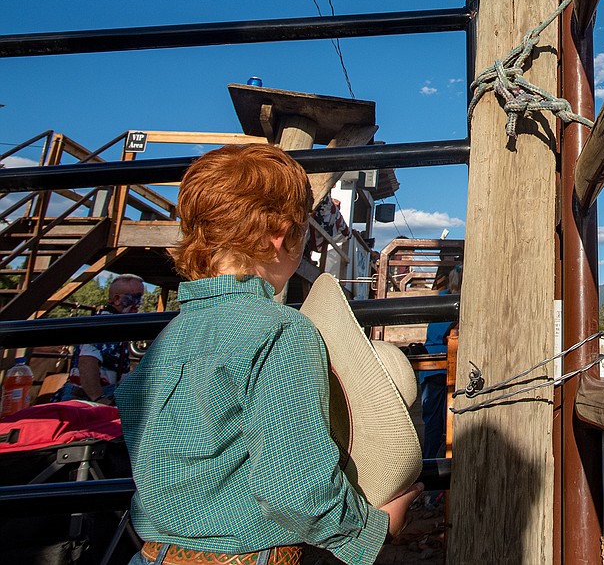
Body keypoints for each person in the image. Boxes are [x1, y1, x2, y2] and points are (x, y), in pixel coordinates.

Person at [116, 145, 422, 565]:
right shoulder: (281, 330)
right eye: (305, 229)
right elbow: (295, 488)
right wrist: (374, 527)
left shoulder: (172, 335)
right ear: (280, 235)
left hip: (151, 553)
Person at [53, 273, 144, 405]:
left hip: (103, 393)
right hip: (86, 397)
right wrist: (98, 398)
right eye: (134, 298)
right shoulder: (104, 325)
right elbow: (87, 362)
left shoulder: (117, 326)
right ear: (117, 299)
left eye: (140, 299)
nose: (138, 304)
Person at [419, 265, 459, 461]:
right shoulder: (459, 304)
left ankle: (429, 460)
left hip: (430, 366)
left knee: (432, 418)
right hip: (450, 365)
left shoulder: (440, 298)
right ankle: (446, 459)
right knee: (451, 415)